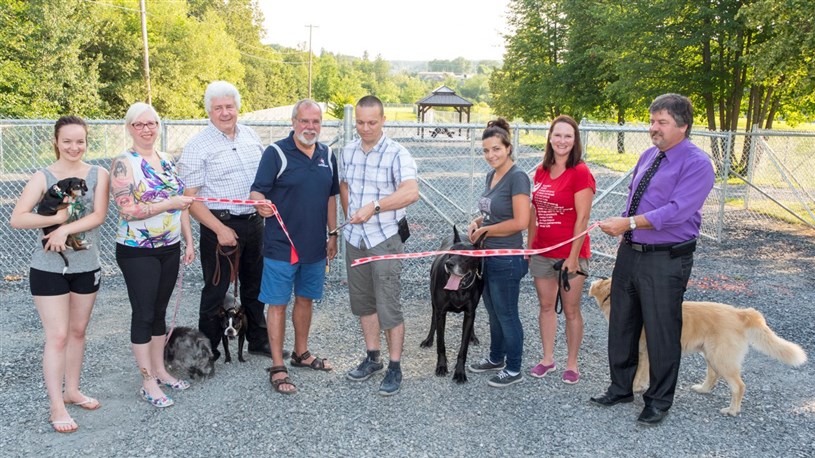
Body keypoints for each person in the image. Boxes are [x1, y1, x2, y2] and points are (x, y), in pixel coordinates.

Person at [592, 93, 715, 426]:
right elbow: (635, 202)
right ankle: (621, 387)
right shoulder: (649, 155)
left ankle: (659, 400)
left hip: (666, 259)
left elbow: (677, 211)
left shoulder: (697, 163)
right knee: (622, 324)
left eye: (661, 122)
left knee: (661, 330)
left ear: (683, 125)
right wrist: (622, 227)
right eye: (651, 121)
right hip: (631, 253)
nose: (653, 129)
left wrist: (628, 224)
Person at [10, 116, 110, 433]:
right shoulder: (43, 177)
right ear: (56, 141)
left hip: (86, 265)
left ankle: (72, 390)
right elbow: (17, 219)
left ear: (86, 141)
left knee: (78, 331)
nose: (73, 147)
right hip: (48, 267)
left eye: (79, 141)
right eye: (67, 141)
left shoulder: (99, 174)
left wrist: (65, 227)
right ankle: (56, 406)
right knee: (57, 336)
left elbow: (98, 215)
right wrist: (52, 220)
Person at [249, 99, 339, 394]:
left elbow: (330, 197)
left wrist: (333, 234)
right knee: (277, 304)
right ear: (293, 122)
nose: (309, 127)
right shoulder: (275, 153)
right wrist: (258, 203)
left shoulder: (327, 154)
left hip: (314, 246)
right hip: (282, 245)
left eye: (315, 122)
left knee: (305, 299)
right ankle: (278, 365)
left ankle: (301, 353)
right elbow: (257, 190)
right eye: (304, 121)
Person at [178, 81, 271, 361]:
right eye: (218, 107)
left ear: (237, 108)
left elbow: (264, 180)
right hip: (219, 225)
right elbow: (190, 199)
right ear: (209, 111)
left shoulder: (252, 136)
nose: (225, 112)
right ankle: (208, 349)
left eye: (229, 106)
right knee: (216, 291)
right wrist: (219, 229)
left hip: (254, 223)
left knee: (255, 286)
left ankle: (257, 339)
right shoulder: (197, 146)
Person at [111, 102, 195, 408]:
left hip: (169, 247)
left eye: (152, 123)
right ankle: (147, 381)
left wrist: (188, 239)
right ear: (130, 128)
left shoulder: (166, 160)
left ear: (158, 126)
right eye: (139, 124)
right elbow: (127, 210)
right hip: (137, 250)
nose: (147, 129)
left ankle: (160, 369)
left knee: (159, 311)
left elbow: (182, 203)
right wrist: (167, 203)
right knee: (143, 313)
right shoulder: (124, 163)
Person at [340, 95, 419, 396]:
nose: (365, 128)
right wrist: (350, 215)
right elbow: (344, 184)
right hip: (355, 239)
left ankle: (395, 366)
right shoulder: (347, 151)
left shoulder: (398, 154)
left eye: (372, 122)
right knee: (363, 302)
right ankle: (373, 357)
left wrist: (373, 208)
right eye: (360, 122)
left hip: (384, 238)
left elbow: (411, 192)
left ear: (383, 120)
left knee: (388, 304)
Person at [528, 115, 595, 384]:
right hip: (542, 251)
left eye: (568, 136)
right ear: (550, 137)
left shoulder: (580, 172)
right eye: (558, 135)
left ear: (575, 140)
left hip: (571, 254)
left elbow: (583, 218)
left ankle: (572, 363)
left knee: (571, 310)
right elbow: (534, 211)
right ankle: (547, 359)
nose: (562, 141)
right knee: (545, 306)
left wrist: (572, 257)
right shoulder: (541, 170)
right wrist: (530, 247)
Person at [466, 118, 531, 388]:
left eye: (496, 149)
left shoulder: (518, 177)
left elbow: (520, 222)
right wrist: (478, 222)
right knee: (493, 311)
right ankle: (496, 358)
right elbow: (491, 213)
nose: (491, 155)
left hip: (507, 257)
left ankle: (514, 367)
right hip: (488, 255)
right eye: (486, 150)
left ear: (508, 148)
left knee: (507, 313)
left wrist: (486, 232)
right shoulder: (491, 175)